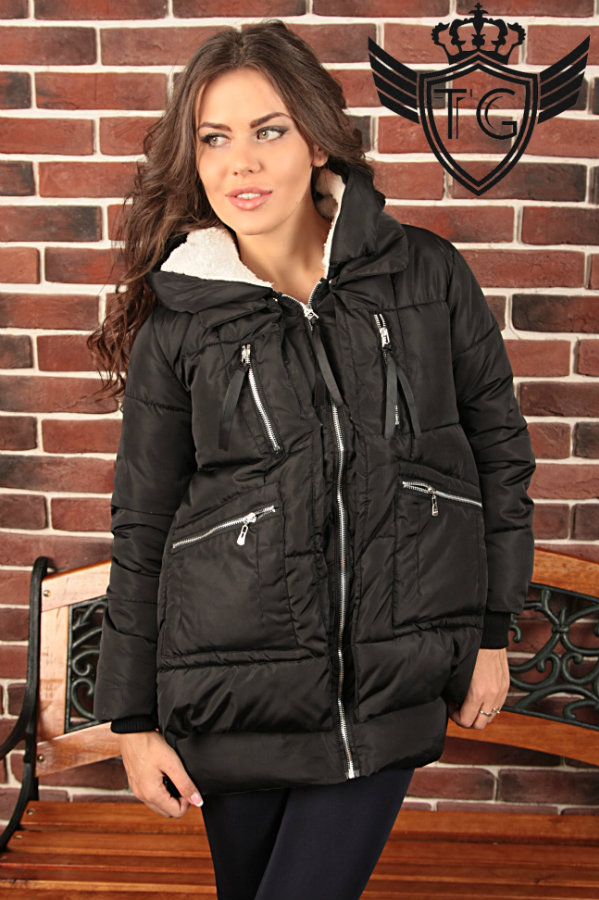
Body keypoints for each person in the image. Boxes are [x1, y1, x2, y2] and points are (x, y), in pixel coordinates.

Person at [90, 19, 536, 900]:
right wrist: (132, 720)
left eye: (268, 130)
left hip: (385, 691)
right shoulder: (180, 326)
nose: (241, 163)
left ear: (318, 139)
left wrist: (494, 629)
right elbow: (144, 524)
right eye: (214, 138)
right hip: (228, 699)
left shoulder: (426, 277)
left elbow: (497, 457)